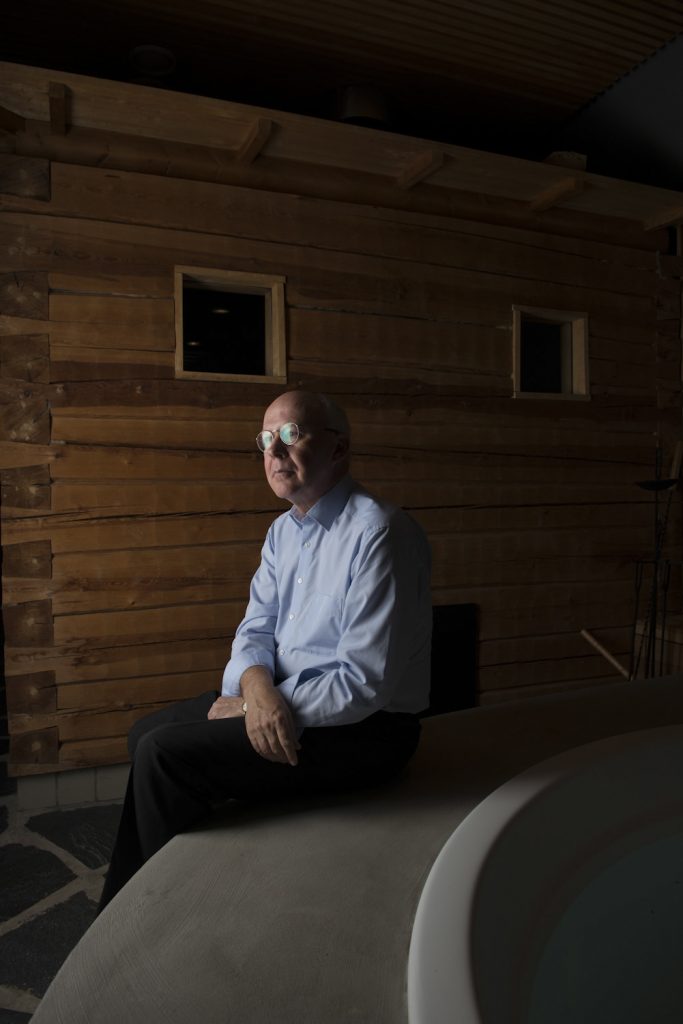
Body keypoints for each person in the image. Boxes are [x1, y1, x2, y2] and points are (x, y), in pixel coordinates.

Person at [98, 390, 432, 911]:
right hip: (284, 702)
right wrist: (255, 689)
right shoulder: (282, 533)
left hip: (367, 732)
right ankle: (197, 880)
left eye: (291, 436)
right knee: (145, 733)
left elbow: (364, 683)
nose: (274, 452)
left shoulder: (380, 534)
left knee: (162, 757)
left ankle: (128, 917)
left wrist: (263, 705)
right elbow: (254, 630)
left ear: (339, 450)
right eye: (265, 440)